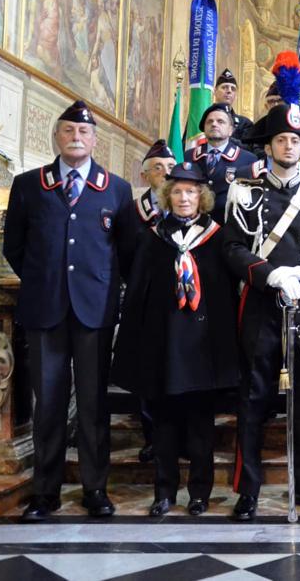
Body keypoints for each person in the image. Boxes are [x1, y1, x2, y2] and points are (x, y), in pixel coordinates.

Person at [3, 100, 134, 521]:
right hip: (45, 311)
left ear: (95, 140)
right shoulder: (28, 185)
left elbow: (125, 253)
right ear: (56, 137)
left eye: (83, 133)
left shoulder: (116, 189)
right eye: (68, 132)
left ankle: (96, 489)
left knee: (94, 407)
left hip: (94, 313)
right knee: (49, 404)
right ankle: (46, 491)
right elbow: (14, 247)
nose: (76, 138)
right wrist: (46, 282)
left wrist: (100, 292)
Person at [223, 100, 300, 521]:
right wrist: (269, 274)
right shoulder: (245, 190)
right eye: (282, 139)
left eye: (295, 140)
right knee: (255, 397)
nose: (289, 145)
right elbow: (233, 248)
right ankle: (248, 490)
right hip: (259, 304)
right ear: (269, 146)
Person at [111, 163, 239, 517]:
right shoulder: (152, 236)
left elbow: (227, 294)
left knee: (201, 425)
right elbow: (137, 291)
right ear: (169, 196)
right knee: (163, 425)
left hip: (202, 346)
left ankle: (199, 492)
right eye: (179, 192)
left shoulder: (217, 236)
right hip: (163, 344)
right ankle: (164, 492)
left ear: (202, 197)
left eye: (191, 192)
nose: (185, 198)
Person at [126, 139, 177, 463]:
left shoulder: (190, 209)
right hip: (145, 303)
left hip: (184, 305)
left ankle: (181, 434)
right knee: (147, 372)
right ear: (145, 176)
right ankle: (152, 435)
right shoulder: (134, 213)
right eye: (159, 168)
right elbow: (122, 255)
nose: (167, 174)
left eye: (172, 168)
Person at [183, 103, 257, 224]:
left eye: (220, 121)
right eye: (210, 122)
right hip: (194, 228)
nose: (214, 124)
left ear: (231, 130)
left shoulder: (248, 159)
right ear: (204, 129)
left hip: (228, 230)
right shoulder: (189, 156)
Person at [241, 82, 284, 156]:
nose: (276, 104)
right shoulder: (260, 127)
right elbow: (255, 150)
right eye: (271, 101)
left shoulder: (294, 124)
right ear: (266, 106)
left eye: (279, 100)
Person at [214, 68, 253, 142]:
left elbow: (249, 149)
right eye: (224, 87)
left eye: (233, 89)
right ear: (215, 91)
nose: (229, 91)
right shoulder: (203, 118)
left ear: (236, 95)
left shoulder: (244, 124)